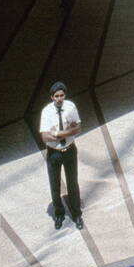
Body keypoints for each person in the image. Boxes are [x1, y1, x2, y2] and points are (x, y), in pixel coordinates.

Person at [39, 81, 83, 230]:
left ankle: (77, 213)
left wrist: (57, 133)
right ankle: (59, 213)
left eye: (61, 95)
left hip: (69, 150)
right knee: (55, 185)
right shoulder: (46, 112)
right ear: (52, 97)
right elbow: (45, 137)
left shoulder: (70, 107)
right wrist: (69, 131)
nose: (59, 98)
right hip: (54, 153)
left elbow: (78, 128)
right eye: (56, 96)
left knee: (73, 183)